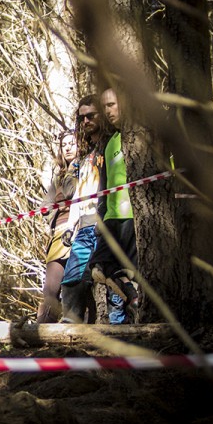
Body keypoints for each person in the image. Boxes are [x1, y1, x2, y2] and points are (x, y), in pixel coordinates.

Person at [88, 88, 140, 325]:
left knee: (131, 270)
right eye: (105, 107)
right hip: (111, 217)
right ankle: (131, 294)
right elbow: (104, 186)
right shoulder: (110, 143)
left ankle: (133, 311)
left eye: (112, 105)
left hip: (133, 215)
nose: (108, 111)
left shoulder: (141, 136)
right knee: (99, 269)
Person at [59, 94, 111, 323]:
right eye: (82, 118)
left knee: (109, 276)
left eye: (91, 115)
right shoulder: (85, 156)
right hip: (85, 223)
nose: (86, 121)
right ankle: (70, 325)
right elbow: (78, 194)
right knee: (72, 276)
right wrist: (70, 225)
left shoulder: (113, 144)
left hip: (109, 220)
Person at [37, 129, 78, 323]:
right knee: (50, 288)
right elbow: (46, 206)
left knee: (76, 283)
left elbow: (72, 192)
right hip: (57, 234)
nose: (68, 147)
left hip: (79, 230)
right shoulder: (58, 176)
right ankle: (43, 328)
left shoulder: (84, 168)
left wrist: (72, 172)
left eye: (72, 143)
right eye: (64, 145)